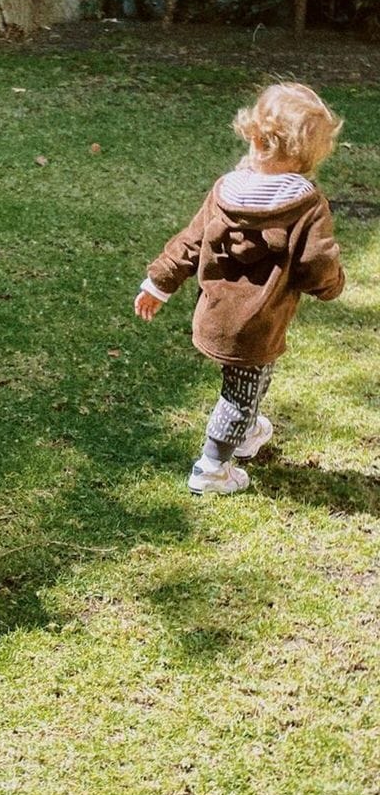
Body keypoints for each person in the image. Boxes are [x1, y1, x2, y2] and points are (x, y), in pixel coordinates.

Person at [135, 82, 345, 495]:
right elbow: (316, 262)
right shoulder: (305, 204)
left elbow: (190, 242)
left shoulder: (225, 190)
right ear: (310, 154)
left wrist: (158, 283)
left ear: (254, 135)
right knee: (239, 395)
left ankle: (246, 432)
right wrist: (331, 285)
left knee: (251, 379)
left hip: (216, 315)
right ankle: (211, 467)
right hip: (257, 323)